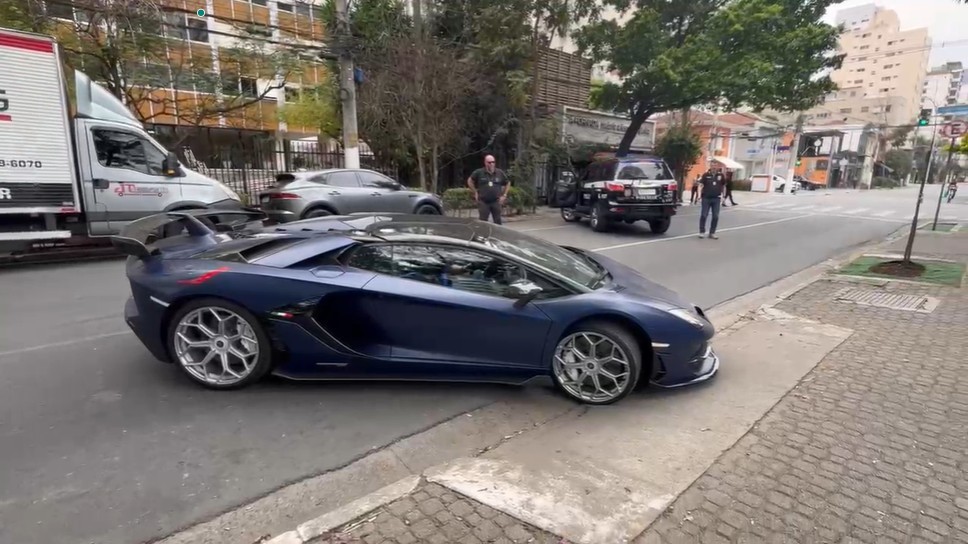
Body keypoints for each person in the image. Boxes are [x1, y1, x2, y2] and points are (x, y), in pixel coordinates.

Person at [467, 154, 510, 224]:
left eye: (493, 162)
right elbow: (470, 180)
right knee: (483, 222)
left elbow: (507, 183)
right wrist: (475, 192)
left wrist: (504, 195)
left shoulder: (499, 172)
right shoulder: (479, 172)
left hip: (496, 201)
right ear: (485, 162)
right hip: (483, 201)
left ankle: (497, 231)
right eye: (489, 162)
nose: (491, 164)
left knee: (498, 221)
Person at [697, 169, 725, 239]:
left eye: (715, 165)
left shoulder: (720, 175)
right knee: (704, 215)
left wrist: (723, 196)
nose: (714, 167)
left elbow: (723, 186)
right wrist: (699, 196)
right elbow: (700, 185)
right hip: (706, 198)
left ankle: (712, 232)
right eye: (712, 165)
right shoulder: (706, 175)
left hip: (716, 198)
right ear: (711, 166)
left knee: (715, 216)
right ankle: (702, 231)